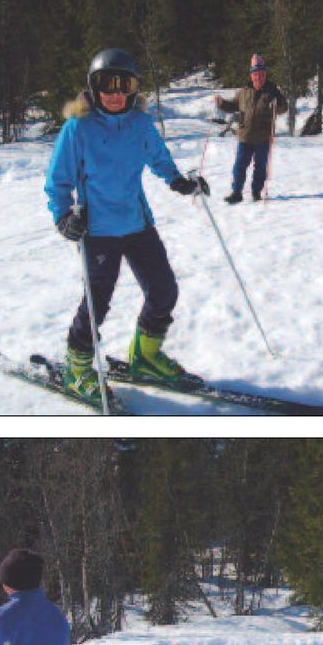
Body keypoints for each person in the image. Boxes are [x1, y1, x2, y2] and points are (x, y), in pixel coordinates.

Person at [44, 48, 210, 406]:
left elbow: (158, 158)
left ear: (134, 89)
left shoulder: (139, 124)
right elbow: (57, 181)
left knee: (164, 290)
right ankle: (77, 367)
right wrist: (63, 217)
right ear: (93, 87)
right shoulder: (78, 129)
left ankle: (145, 358)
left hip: (137, 224)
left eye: (125, 86)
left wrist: (178, 181)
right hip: (98, 230)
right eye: (108, 85)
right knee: (97, 303)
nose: (116, 94)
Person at [215, 54, 289, 204]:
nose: (258, 78)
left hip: (263, 137)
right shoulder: (244, 91)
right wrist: (221, 103)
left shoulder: (273, 90)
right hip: (245, 136)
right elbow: (232, 106)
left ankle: (256, 192)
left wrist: (277, 103)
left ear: (265, 75)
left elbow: (283, 108)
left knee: (260, 168)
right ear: (251, 75)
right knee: (239, 166)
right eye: (256, 75)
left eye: (261, 75)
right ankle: (237, 193)